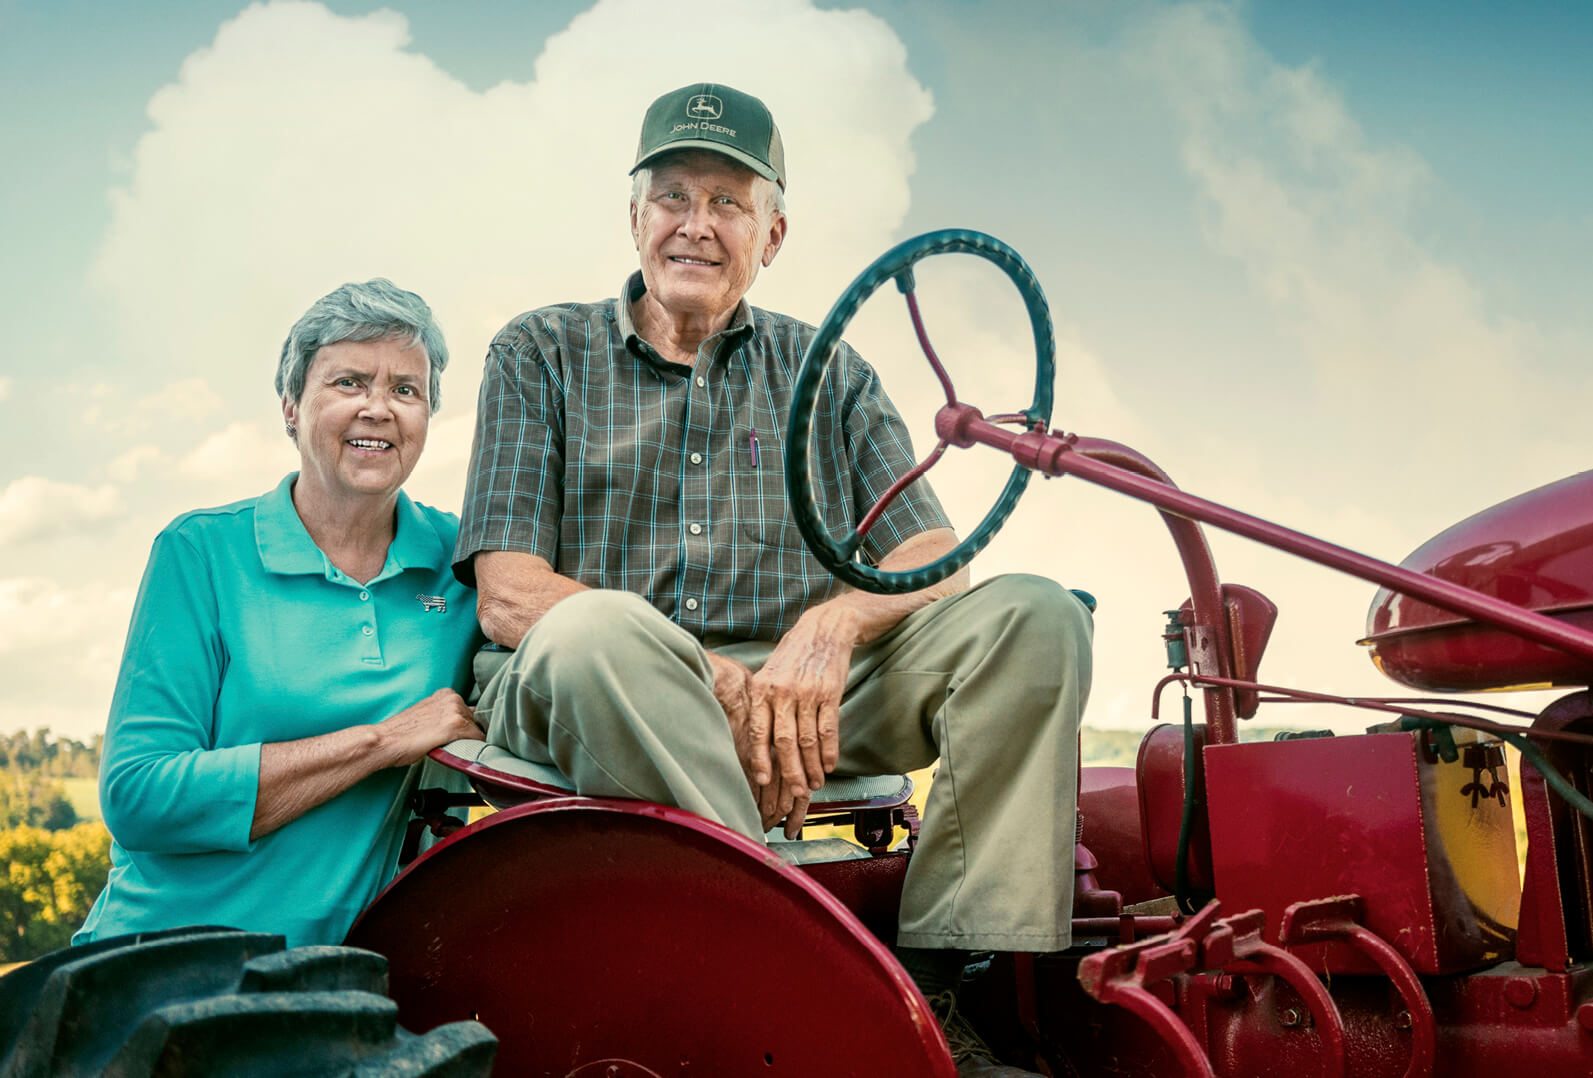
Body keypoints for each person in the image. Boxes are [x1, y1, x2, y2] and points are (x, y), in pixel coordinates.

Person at [455, 84, 1091, 1077]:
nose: (695, 226)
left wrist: (828, 629)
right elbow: (509, 591)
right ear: (634, 217)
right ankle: (796, 965)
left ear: (774, 232)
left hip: (803, 702)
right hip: (613, 682)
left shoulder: (828, 370)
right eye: (672, 196)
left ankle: (949, 984)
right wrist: (708, 676)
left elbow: (934, 555)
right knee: (599, 634)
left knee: (1035, 619)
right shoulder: (540, 352)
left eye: (728, 202)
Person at [76, 279, 484, 949]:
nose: (378, 408)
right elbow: (139, 796)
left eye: (406, 391)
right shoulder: (202, 552)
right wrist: (379, 743)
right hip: (155, 967)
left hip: (339, 992)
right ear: (291, 407)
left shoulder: (463, 561)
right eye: (349, 382)